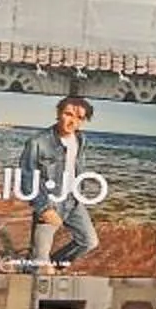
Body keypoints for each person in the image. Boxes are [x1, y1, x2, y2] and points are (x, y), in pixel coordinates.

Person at [20, 96, 98, 268]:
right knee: (39, 260)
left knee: (89, 242)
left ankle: (53, 267)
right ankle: (37, 270)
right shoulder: (37, 142)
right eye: (68, 114)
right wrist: (44, 209)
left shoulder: (81, 139)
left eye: (79, 118)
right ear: (58, 113)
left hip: (73, 201)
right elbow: (27, 178)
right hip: (50, 203)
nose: (73, 121)